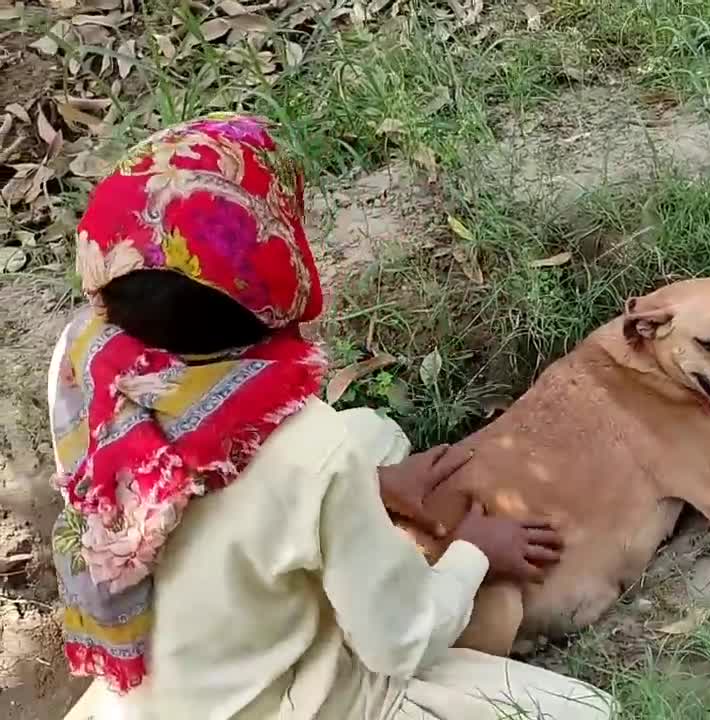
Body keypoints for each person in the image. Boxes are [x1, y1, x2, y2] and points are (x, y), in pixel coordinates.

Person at [49, 114, 615, 720]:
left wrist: (367, 488)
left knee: (372, 434)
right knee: (584, 710)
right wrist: (473, 553)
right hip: (280, 702)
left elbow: (220, 499)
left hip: (166, 682)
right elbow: (400, 642)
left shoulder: (83, 356)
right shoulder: (307, 448)